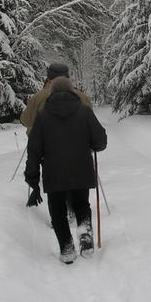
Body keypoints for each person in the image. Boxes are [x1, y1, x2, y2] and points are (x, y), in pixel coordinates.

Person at [24, 76, 107, 264]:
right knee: (81, 204)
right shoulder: (84, 112)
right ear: (72, 91)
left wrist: (32, 178)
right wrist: (94, 145)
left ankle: (67, 248)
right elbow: (100, 141)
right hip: (81, 169)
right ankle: (85, 234)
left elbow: (34, 150)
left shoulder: (43, 117)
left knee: (58, 211)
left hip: (54, 174)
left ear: (51, 94)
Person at [20, 62, 92, 135]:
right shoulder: (82, 97)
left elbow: (26, 121)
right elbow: (90, 122)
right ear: (67, 77)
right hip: (77, 143)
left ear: (48, 78)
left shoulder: (37, 97)